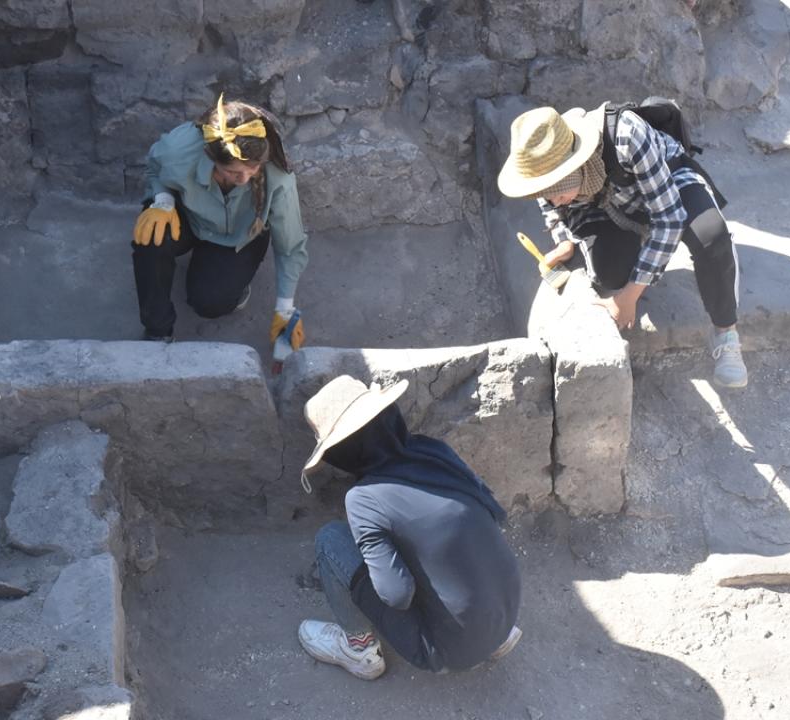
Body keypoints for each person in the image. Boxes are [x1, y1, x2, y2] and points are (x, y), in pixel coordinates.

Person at [497, 103, 748, 388]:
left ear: (575, 165)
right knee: (610, 273)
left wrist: (628, 297)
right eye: (545, 193)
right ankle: (643, 241)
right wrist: (564, 239)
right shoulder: (543, 162)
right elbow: (550, 204)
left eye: (556, 191)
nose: (552, 201)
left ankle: (726, 333)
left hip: (667, 178)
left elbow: (669, 219)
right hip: (610, 201)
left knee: (710, 237)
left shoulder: (627, 135)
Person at [296, 375, 522, 680]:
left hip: (447, 651)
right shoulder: (435, 453)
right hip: (505, 614)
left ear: (343, 450)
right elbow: (489, 519)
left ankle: (358, 649)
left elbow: (396, 595)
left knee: (331, 539)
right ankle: (490, 636)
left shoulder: (363, 499)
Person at [132, 95, 308, 352]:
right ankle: (157, 332)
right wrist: (163, 200)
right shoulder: (179, 150)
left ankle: (233, 282)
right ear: (211, 157)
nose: (244, 179)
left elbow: (290, 247)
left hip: (240, 234)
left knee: (210, 303)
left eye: (253, 169)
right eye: (233, 172)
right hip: (188, 217)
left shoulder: (277, 175)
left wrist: (285, 309)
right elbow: (155, 168)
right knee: (149, 238)